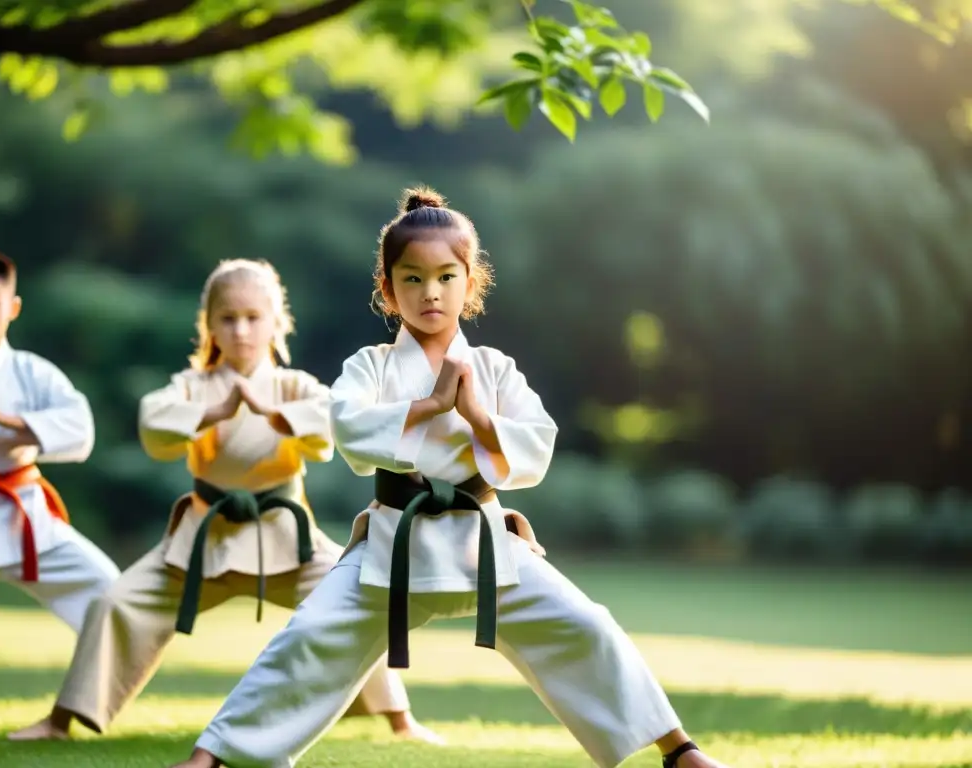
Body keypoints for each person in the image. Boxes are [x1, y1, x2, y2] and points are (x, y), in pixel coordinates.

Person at [167, 190, 731, 768]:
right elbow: (349, 429)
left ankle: (678, 749)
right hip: (394, 544)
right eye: (411, 279)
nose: (429, 292)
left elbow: (537, 443)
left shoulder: (494, 369)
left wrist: (477, 416)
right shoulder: (371, 366)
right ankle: (211, 755)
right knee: (311, 634)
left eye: (444, 276)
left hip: (484, 543)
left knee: (585, 624)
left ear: (470, 281)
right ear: (388, 289)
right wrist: (430, 407)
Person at [8, 258, 439, 744]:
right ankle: (61, 720)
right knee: (118, 602)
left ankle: (399, 718)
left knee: (356, 596)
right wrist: (217, 410)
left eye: (254, 317)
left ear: (277, 322)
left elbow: (329, 423)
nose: (241, 330)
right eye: (228, 318)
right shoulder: (194, 387)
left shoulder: (293, 386)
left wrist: (276, 416)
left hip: (285, 536)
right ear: (209, 325)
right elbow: (155, 422)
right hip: (203, 536)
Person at [0, 249, 119, 629]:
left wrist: (5, 421)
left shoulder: (35, 373)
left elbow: (80, 429)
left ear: (14, 307)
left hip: (24, 516)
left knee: (112, 596)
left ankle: (91, 691)